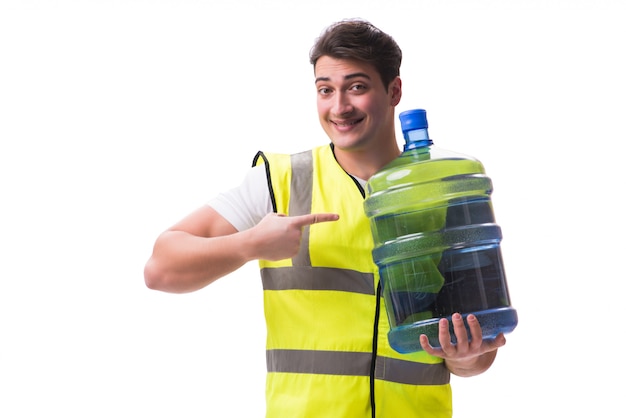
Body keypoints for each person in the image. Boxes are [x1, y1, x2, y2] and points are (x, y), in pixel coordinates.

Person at [144, 18, 506, 418]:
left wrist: (469, 354)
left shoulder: (443, 189)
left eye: (357, 87)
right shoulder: (282, 181)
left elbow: (471, 359)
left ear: (394, 91)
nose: (339, 107)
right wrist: (250, 244)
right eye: (325, 90)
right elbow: (160, 269)